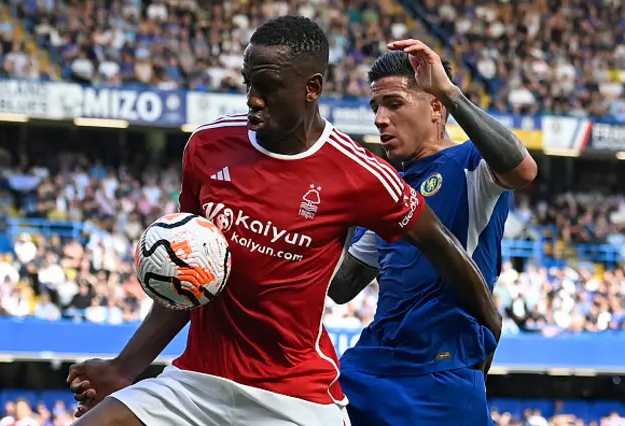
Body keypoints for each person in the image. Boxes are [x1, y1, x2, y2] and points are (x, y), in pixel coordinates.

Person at [67, 18, 499, 426]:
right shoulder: (209, 146)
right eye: (249, 84)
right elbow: (190, 274)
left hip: (296, 398)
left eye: (268, 86)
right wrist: (125, 368)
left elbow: (440, 244)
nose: (254, 98)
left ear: (312, 89)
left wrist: (489, 324)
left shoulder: (361, 175)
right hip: (196, 383)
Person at [328, 41, 538, 426]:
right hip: (372, 363)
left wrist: (450, 92)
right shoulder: (389, 188)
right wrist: (338, 211)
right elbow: (342, 287)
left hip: (442, 366)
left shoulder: (470, 165)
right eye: (376, 107)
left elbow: (523, 170)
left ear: (436, 108)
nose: (379, 119)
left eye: (393, 103)